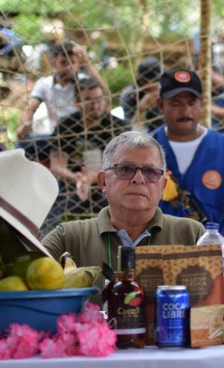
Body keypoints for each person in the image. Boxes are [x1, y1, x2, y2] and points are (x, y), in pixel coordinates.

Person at [42, 131, 205, 282]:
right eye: (125, 169)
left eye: (150, 172)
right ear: (103, 182)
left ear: (162, 186)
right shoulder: (68, 238)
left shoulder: (191, 235)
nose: (138, 179)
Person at [152, 69, 224, 245]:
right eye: (176, 104)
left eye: (192, 103)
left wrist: (215, 240)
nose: (186, 111)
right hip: (159, 252)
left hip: (213, 255)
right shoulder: (146, 149)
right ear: (161, 105)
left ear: (201, 104)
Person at [43, 77, 130, 234]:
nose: (95, 105)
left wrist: (93, 178)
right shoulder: (66, 126)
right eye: (88, 100)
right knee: (51, 209)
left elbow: (124, 167)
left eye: (99, 99)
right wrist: (78, 179)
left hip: (109, 184)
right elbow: (57, 166)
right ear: (77, 102)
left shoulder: (118, 127)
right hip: (72, 184)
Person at [16, 40, 108, 163]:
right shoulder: (44, 84)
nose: (69, 67)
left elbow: (103, 92)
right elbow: (31, 107)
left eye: (73, 63)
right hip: (57, 136)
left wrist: (87, 63)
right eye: (64, 62)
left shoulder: (84, 82)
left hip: (82, 133)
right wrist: (26, 124)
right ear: (54, 62)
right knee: (23, 143)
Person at [119, 56, 163, 132]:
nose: (158, 84)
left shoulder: (163, 86)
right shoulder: (128, 95)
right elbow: (129, 129)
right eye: (156, 81)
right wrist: (140, 110)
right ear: (143, 82)